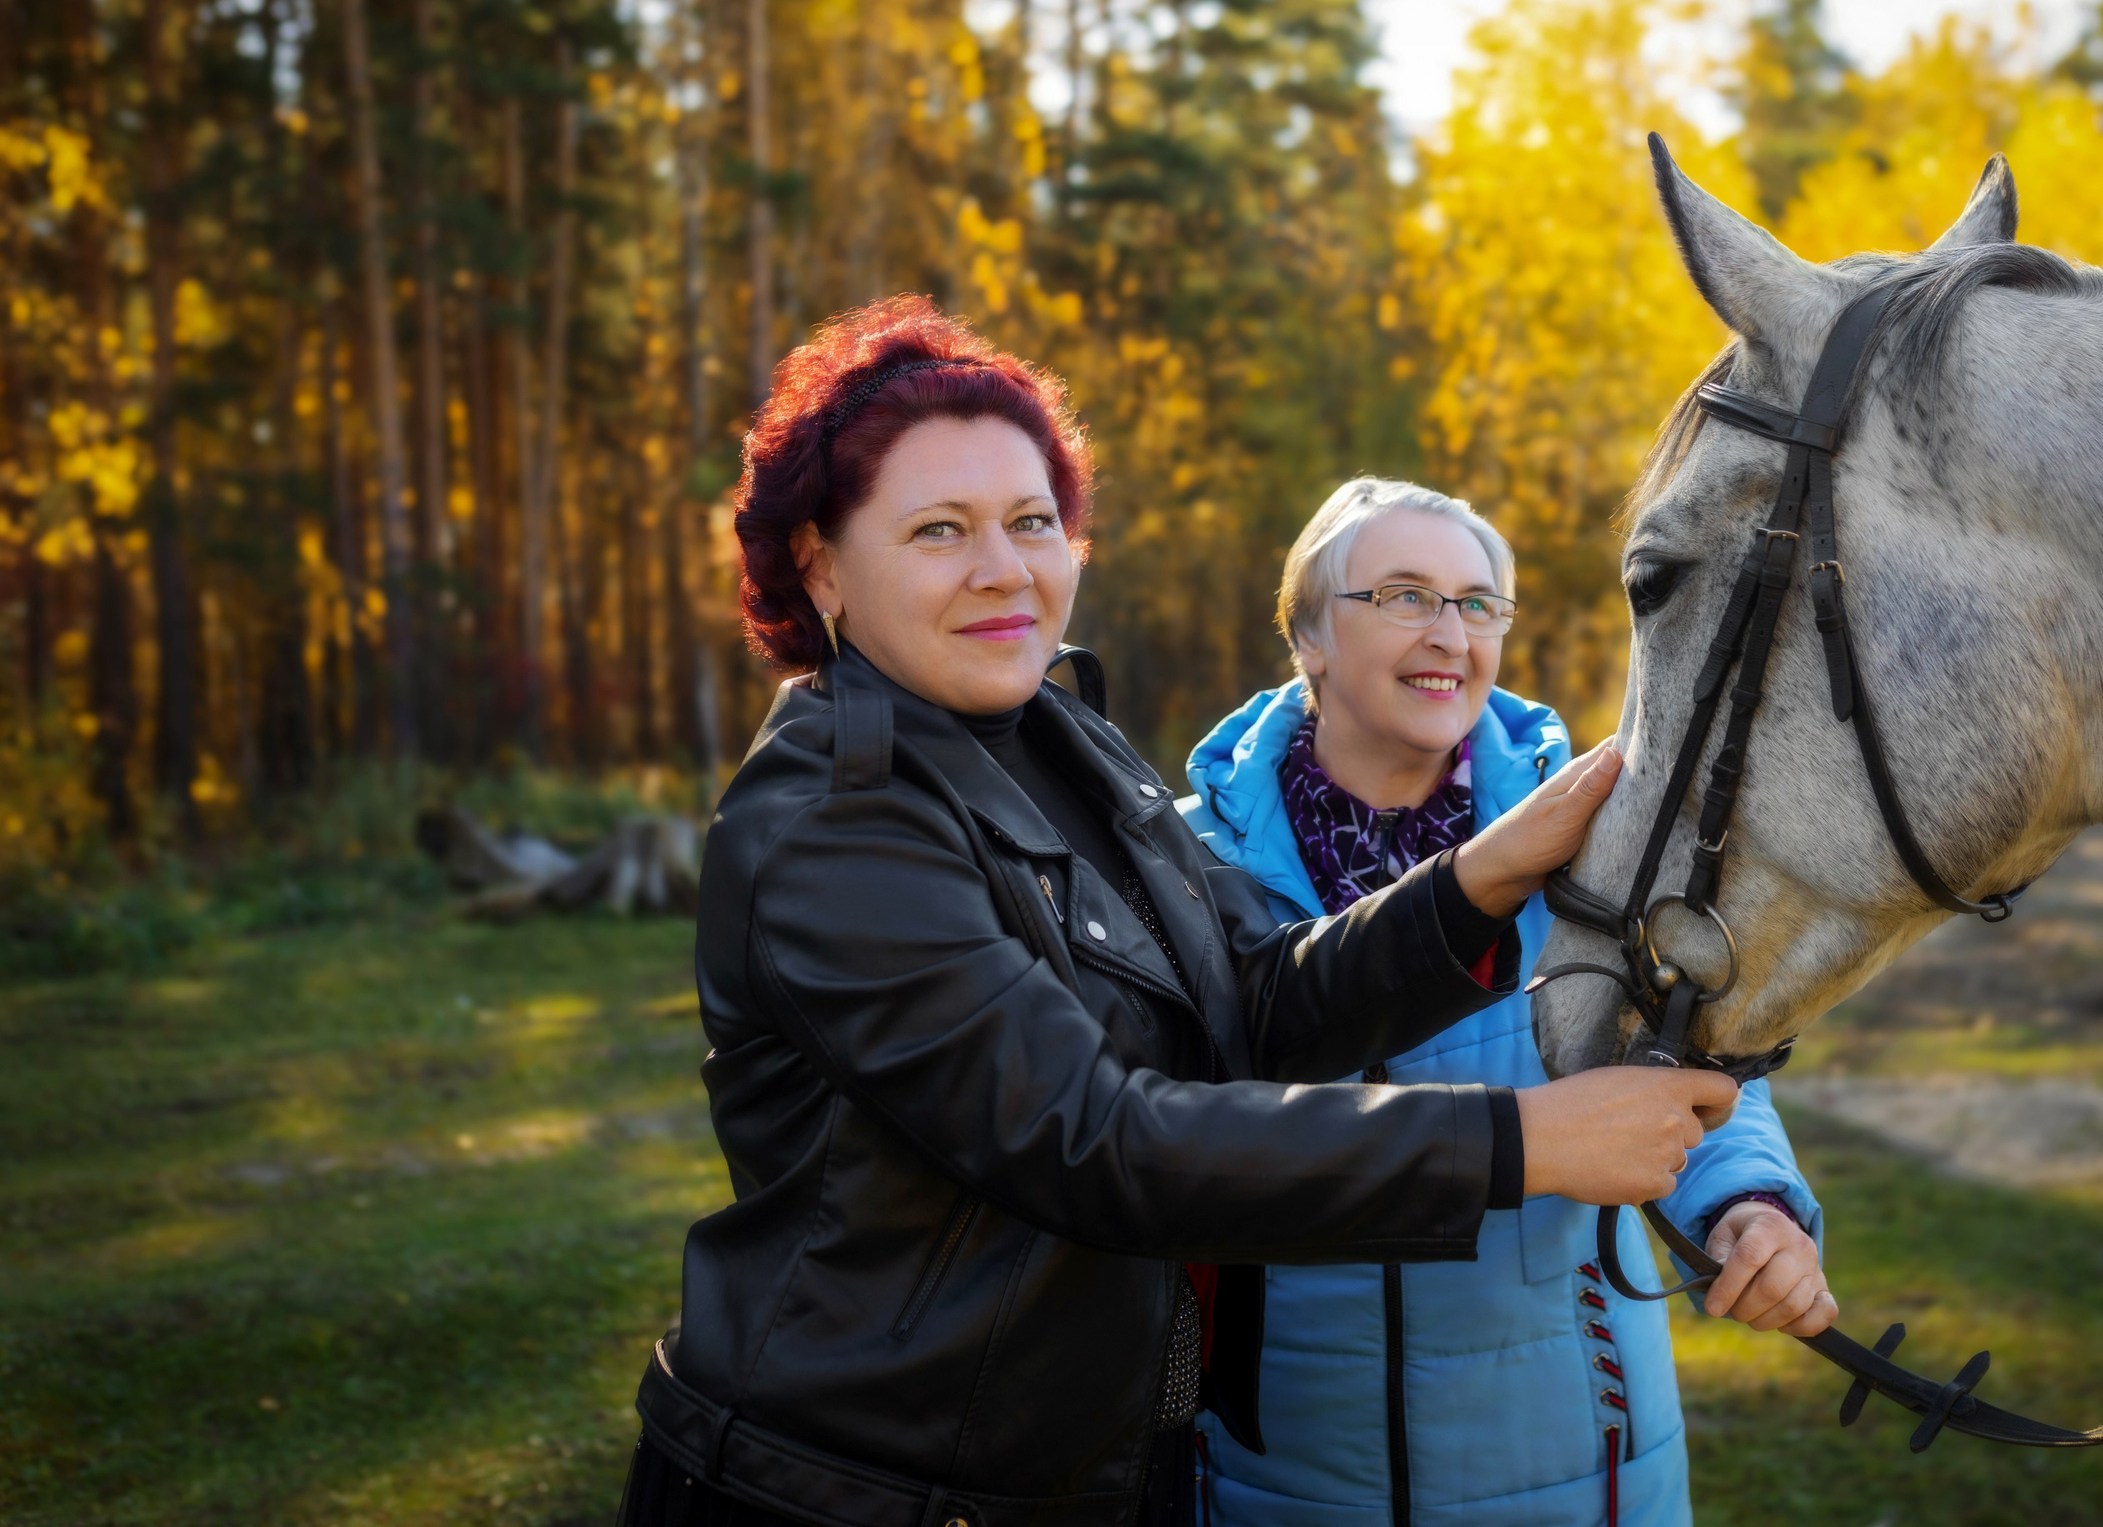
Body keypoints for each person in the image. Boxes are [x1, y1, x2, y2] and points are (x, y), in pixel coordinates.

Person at [613, 298, 1742, 1527]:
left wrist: (1485, 873)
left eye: (1033, 520)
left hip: (1086, 1478)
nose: (1006, 567)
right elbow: (1095, 1142)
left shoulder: (1061, 740)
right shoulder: (837, 820)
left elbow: (1251, 1000)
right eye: (939, 529)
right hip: (863, 1491)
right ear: (822, 564)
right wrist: (1523, 1143)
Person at [1183, 478, 1832, 1527]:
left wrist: (1749, 1205)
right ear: (1307, 632)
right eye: (1403, 594)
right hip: (1283, 1469)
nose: (1450, 633)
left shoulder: (1600, 844)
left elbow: (1698, 1070)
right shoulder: (1184, 861)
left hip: (1576, 1454)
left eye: (1477, 602)